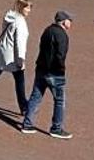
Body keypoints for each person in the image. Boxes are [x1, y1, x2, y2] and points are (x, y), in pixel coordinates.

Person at [20, 10, 73, 139]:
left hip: (41, 69)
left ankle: (27, 124)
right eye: (69, 20)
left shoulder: (47, 30)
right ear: (64, 21)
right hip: (55, 72)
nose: (71, 23)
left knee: (35, 96)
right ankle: (56, 128)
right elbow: (60, 55)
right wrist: (60, 69)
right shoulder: (62, 35)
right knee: (59, 100)